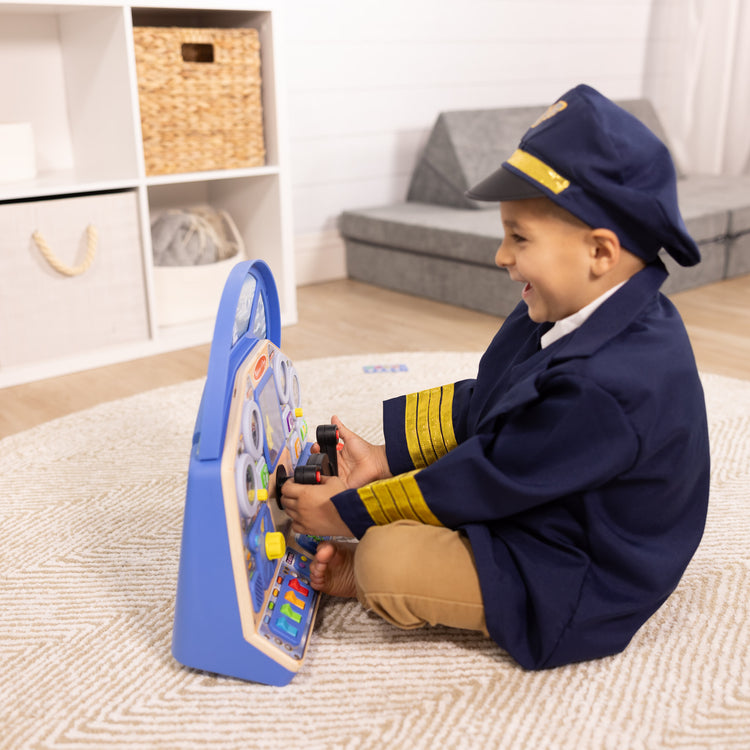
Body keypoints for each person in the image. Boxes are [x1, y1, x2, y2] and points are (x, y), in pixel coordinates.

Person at [280, 84, 711, 670]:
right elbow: (492, 400)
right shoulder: (562, 306)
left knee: (387, 556)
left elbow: (490, 477)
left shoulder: (609, 384)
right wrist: (388, 458)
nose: (502, 256)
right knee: (416, 496)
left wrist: (349, 512)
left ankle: (361, 577)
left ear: (600, 253)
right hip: (546, 499)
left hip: (582, 570)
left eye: (520, 238)